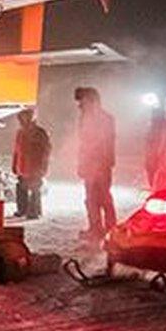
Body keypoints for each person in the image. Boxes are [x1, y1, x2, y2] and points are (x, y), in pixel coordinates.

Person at [74, 87, 116, 240]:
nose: (80, 105)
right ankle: (96, 228)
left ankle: (110, 229)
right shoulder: (86, 118)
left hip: (100, 164)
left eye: (82, 101)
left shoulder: (104, 119)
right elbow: (83, 144)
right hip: (91, 164)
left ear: (91, 100)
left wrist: (102, 163)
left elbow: (104, 143)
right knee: (91, 198)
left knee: (103, 197)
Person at [11, 107, 51, 219]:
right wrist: (14, 165)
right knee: (21, 188)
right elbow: (16, 151)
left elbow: (46, 151)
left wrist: (43, 166)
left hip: (35, 166)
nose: (23, 119)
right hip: (22, 166)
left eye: (26, 116)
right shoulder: (20, 133)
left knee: (34, 189)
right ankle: (22, 209)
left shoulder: (40, 133)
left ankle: (34, 211)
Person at [144, 106, 166, 189]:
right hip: (154, 156)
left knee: (156, 175)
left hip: (158, 156)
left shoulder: (164, 128)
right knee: (153, 174)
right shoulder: (152, 127)